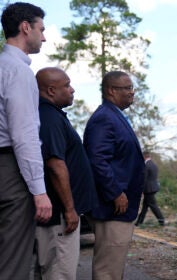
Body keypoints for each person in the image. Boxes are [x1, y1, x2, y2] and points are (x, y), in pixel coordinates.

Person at [0, 3, 52, 279]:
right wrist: (39, 191)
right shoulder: (17, 71)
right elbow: (24, 136)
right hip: (11, 171)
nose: (43, 37)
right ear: (25, 27)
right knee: (13, 262)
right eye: (41, 29)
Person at [33, 67, 98, 279]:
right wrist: (69, 209)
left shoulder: (52, 115)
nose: (72, 90)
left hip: (60, 213)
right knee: (60, 273)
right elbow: (55, 165)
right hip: (59, 215)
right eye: (67, 85)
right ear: (51, 90)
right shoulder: (49, 118)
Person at [84, 70, 145, 280]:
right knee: (107, 270)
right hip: (112, 207)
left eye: (131, 88)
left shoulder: (114, 116)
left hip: (119, 207)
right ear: (111, 90)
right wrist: (115, 192)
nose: (132, 92)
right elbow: (97, 160)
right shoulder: (104, 118)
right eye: (127, 88)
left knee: (114, 266)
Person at [135, 151, 165, 226]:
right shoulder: (153, 164)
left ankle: (161, 220)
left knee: (153, 205)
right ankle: (139, 222)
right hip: (153, 188)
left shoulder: (146, 165)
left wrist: (141, 190)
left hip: (148, 189)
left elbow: (144, 179)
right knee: (145, 206)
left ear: (144, 156)